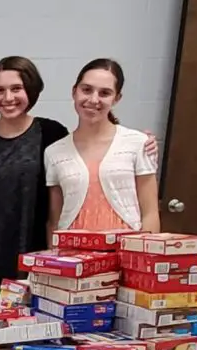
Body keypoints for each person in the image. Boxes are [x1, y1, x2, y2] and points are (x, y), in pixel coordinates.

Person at [0, 57, 69, 287]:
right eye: (0, 90)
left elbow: (88, 154)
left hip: (35, 264)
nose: (8, 98)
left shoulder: (52, 134)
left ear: (31, 89)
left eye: (16, 89)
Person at [45, 58, 161, 238]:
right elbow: (55, 221)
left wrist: (145, 258)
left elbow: (150, 213)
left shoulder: (138, 143)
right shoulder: (54, 152)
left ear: (117, 98)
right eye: (86, 90)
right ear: (74, 92)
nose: (93, 99)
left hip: (126, 254)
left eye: (104, 93)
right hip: (72, 256)